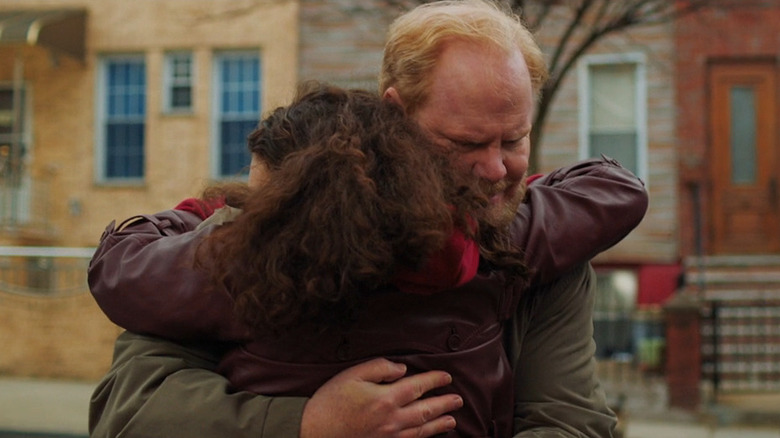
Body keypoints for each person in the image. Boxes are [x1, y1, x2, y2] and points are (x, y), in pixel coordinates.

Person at [88, 1, 649, 437]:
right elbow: (130, 410)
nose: (498, 167)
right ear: (396, 114)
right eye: (466, 142)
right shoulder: (255, 243)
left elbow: (569, 422)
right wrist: (306, 425)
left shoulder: (546, 254)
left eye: (515, 138)